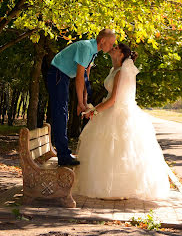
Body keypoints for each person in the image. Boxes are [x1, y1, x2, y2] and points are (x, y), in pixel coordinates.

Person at [74, 43, 170, 200]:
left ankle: (117, 190)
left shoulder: (121, 72)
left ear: (122, 54)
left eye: (116, 47)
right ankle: (107, 187)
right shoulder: (115, 70)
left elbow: (113, 100)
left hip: (119, 113)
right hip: (112, 111)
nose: (112, 48)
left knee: (118, 152)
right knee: (107, 152)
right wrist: (95, 110)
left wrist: (95, 111)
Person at [47, 29, 116, 166]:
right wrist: (80, 102)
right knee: (61, 113)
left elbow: (85, 78)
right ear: (102, 41)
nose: (112, 47)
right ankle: (63, 155)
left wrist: (84, 101)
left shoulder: (93, 51)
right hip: (57, 74)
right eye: (111, 43)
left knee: (62, 112)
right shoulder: (86, 47)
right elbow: (79, 77)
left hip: (63, 76)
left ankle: (63, 150)